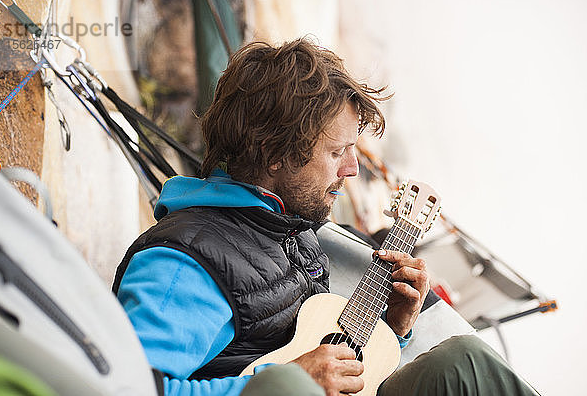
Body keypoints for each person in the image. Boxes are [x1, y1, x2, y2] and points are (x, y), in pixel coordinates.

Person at [113, 38, 539, 396]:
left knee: (464, 360)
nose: (352, 169)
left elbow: (311, 349)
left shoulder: (289, 227)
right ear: (273, 153)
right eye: (337, 152)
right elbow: (126, 385)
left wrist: (391, 329)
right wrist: (284, 384)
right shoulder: (185, 262)